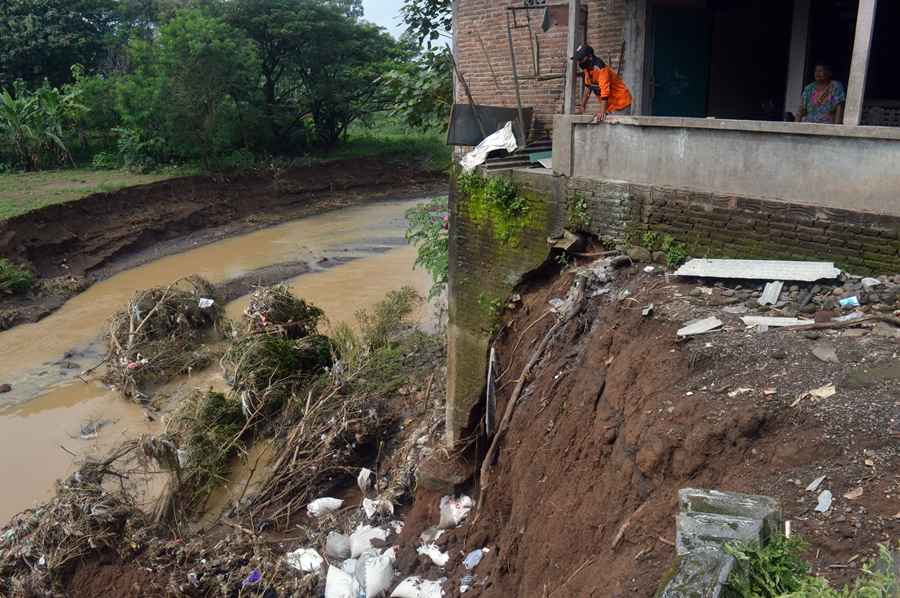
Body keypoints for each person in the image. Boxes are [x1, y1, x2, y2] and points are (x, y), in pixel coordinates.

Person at [571, 44, 633, 121]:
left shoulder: (600, 68)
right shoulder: (587, 69)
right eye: (578, 60)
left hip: (620, 102)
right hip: (611, 105)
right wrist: (582, 106)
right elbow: (588, 87)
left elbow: (605, 90)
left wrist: (602, 112)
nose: (579, 62)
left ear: (590, 57)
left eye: (581, 59)